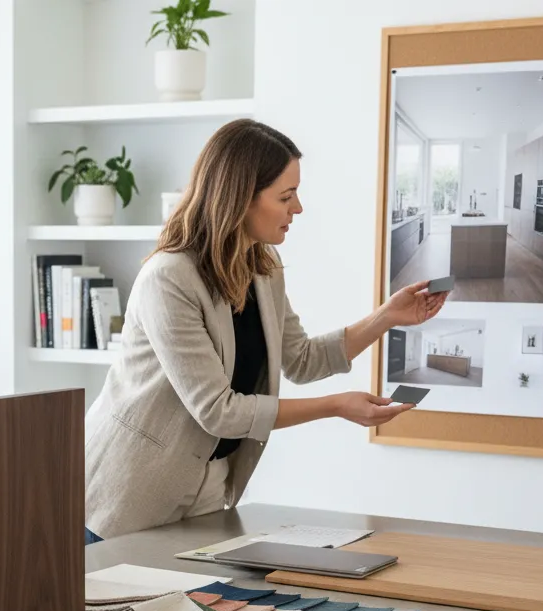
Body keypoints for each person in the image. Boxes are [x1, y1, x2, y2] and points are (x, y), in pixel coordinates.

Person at [84, 119, 446, 541]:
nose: (298, 208)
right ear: (240, 198)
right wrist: (335, 407)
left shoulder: (263, 267)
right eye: (286, 196)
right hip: (130, 493)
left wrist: (386, 316)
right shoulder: (168, 278)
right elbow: (217, 410)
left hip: (206, 486)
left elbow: (302, 359)